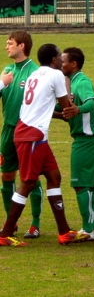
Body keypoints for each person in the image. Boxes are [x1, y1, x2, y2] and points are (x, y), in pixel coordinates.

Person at [0, 44, 89, 247]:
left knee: (54, 176)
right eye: (60, 55)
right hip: (32, 134)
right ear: (54, 59)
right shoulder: (56, 75)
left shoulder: (35, 75)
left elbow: (44, 108)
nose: (61, 59)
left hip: (32, 132)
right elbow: (66, 106)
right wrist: (70, 103)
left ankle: (64, 232)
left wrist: (62, 113)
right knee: (29, 182)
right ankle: (5, 233)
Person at [58, 47, 94, 241]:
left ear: (73, 64)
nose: (61, 65)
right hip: (90, 138)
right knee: (90, 185)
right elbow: (65, 112)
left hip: (86, 139)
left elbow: (91, 103)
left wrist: (77, 110)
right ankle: (91, 229)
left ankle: (88, 228)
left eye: (63, 61)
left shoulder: (82, 81)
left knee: (80, 185)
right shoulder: (71, 82)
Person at [2, 31, 43, 239]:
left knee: (31, 178)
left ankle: (35, 224)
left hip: (27, 131)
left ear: (22, 47)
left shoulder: (34, 72)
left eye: (10, 43)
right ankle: (12, 222)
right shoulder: (7, 70)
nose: (7, 47)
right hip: (8, 131)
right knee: (6, 176)